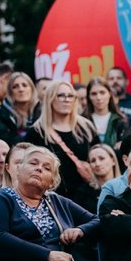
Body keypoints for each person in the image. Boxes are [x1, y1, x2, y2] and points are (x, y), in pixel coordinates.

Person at [24, 80, 100, 212]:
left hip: (87, 197)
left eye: (70, 96)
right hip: (53, 200)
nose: (67, 100)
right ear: (50, 98)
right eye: (61, 95)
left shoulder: (86, 127)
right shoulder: (37, 132)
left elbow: (100, 154)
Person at [0, 71, 40, 144]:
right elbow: (4, 140)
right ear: (10, 92)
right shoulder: (2, 114)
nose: (21, 89)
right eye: (15, 87)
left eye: (24, 85)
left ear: (32, 89)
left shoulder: (42, 111)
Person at [85, 77, 128, 147]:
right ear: (89, 97)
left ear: (110, 94)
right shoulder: (83, 121)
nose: (98, 97)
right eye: (94, 94)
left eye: (102, 92)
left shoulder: (120, 120)